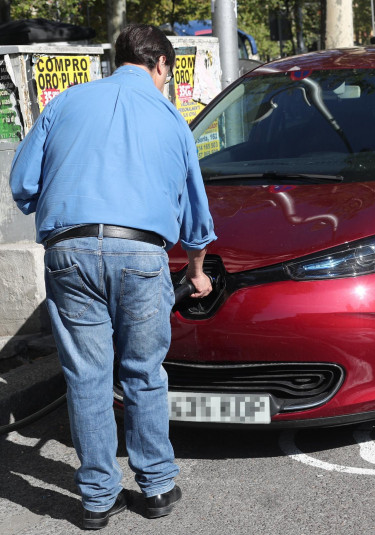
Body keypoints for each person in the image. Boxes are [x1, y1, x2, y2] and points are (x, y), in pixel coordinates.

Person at [10, 24, 215, 529]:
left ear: (113, 59)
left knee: (87, 378)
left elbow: (22, 184)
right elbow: (195, 213)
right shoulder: (171, 117)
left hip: (69, 249)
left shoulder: (64, 103)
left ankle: (98, 500)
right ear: (161, 65)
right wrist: (196, 270)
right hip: (141, 253)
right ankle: (158, 488)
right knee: (144, 373)